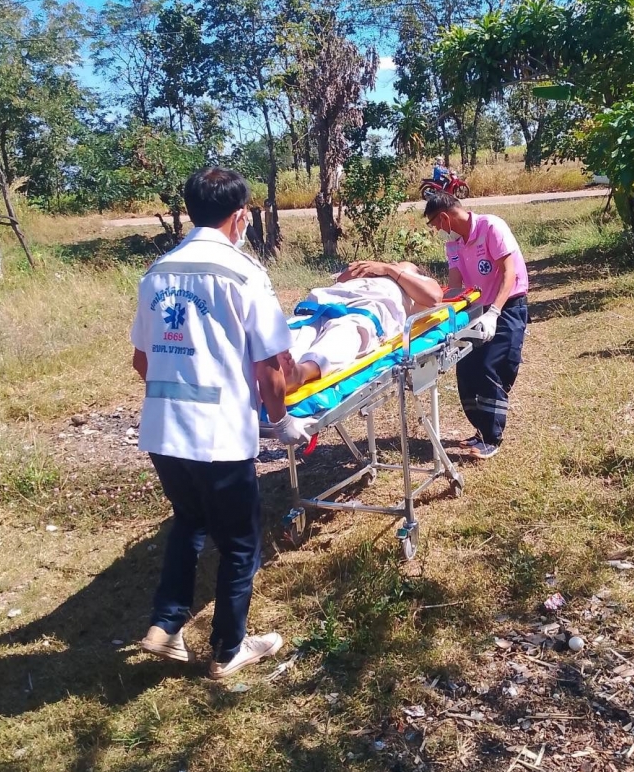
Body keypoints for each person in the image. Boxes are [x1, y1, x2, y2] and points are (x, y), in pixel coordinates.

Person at [130, 167, 312, 680]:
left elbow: (142, 361)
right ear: (240, 216)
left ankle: (166, 624)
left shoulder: (157, 272)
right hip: (219, 435)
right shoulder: (243, 273)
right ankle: (229, 649)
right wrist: (281, 421)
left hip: (163, 429)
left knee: (189, 521)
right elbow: (271, 368)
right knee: (239, 543)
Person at [423, 193, 528, 460]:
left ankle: (492, 438)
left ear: (445, 217)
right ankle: (481, 430)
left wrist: (494, 312)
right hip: (476, 309)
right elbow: (455, 285)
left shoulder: (490, 227)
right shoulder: (454, 244)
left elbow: (509, 273)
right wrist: (441, 313)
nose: (437, 230)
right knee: (467, 369)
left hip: (506, 305)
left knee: (490, 366)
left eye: (435, 224)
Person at [280, 260, 443, 393]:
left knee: (345, 331)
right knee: (300, 330)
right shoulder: (375, 271)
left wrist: (390, 270)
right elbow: (340, 281)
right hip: (324, 305)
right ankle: (276, 368)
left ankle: (301, 372)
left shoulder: (418, 281)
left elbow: (433, 297)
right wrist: (360, 270)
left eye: (401, 264)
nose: (395, 263)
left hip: (366, 309)